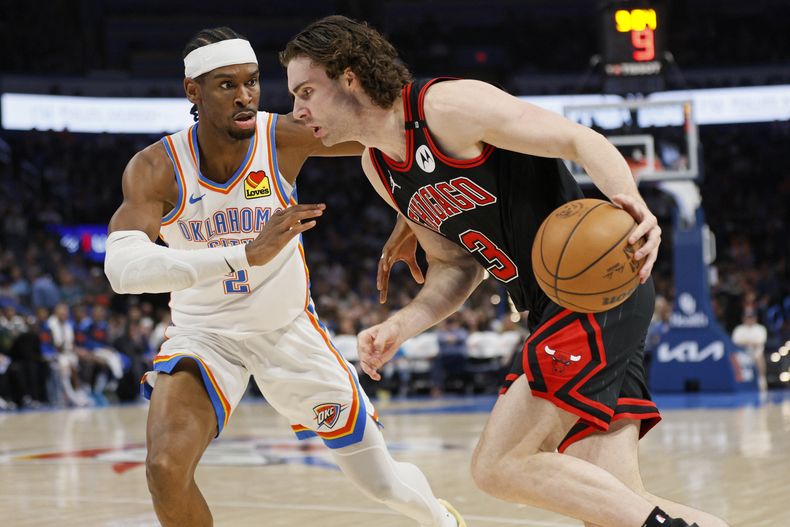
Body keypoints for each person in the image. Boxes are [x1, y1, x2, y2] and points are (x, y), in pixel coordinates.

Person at [281, 15, 730, 527]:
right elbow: (456, 265)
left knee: (497, 466)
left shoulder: (446, 108)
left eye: (306, 91)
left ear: (349, 77)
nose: (298, 109)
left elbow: (579, 140)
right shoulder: (378, 167)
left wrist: (633, 207)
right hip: (554, 309)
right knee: (612, 505)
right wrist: (399, 327)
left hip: (592, 292)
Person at [104, 27, 464, 527]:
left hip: (289, 331)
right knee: (165, 468)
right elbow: (122, 270)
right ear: (193, 92)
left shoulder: (281, 137)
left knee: (380, 483)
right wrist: (242, 255)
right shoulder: (157, 168)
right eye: (226, 85)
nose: (245, 95)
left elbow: (390, 135)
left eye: (251, 82)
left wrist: (410, 204)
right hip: (205, 335)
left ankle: (443, 520)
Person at [731, 308, 768, 392]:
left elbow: (759, 342)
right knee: (734, 358)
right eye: (748, 317)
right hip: (741, 354)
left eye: (752, 317)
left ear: (755, 318)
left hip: (756, 353)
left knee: (759, 358)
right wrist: (750, 342)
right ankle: (738, 383)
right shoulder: (739, 329)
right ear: (743, 318)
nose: (750, 319)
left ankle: (761, 380)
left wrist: (745, 342)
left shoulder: (760, 329)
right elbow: (735, 343)